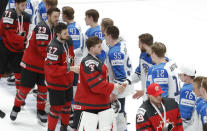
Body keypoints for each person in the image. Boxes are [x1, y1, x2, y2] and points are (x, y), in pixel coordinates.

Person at [9, 7, 60, 125]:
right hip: (31, 65)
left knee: (43, 90)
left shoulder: (54, 28)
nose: (57, 19)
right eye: (55, 17)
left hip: (44, 66)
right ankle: (16, 108)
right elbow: (42, 49)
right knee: (24, 90)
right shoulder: (42, 27)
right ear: (48, 16)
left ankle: (41, 111)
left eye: (58, 16)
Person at [73, 36, 126, 130]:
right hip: (88, 107)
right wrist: (114, 87)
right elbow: (96, 85)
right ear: (92, 48)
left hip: (95, 105)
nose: (101, 48)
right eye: (98, 46)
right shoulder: (89, 62)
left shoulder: (94, 61)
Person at [45, 22, 79, 131]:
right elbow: (52, 70)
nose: (67, 35)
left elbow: (71, 57)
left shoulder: (68, 40)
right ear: (58, 34)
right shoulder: (53, 48)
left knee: (68, 106)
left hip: (67, 81)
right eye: (65, 33)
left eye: (67, 32)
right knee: (55, 109)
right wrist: (70, 69)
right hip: (56, 84)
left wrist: (72, 68)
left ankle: (64, 127)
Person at [105, 25, 133, 131]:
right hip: (125, 85)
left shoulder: (114, 53)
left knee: (118, 115)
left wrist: (114, 93)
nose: (104, 38)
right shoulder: (121, 44)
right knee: (120, 113)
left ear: (110, 36)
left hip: (120, 88)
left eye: (105, 35)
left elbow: (120, 77)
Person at [6, 0, 39, 86]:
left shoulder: (33, 3)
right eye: (22, 5)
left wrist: (28, 38)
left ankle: (23, 80)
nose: (24, 7)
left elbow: (33, 22)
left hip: (25, 36)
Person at [0, 0, 30, 89]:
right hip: (4, 46)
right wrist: (22, 39)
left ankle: (19, 98)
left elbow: (26, 32)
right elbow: (9, 35)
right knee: (1, 70)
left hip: (17, 48)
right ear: (16, 4)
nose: (24, 8)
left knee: (19, 71)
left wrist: (23, 46)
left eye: (25, 5)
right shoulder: (8, 14)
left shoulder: (26, 16)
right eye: (22, 5)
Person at [130, 33, 155, 100]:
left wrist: (145, 92)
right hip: (146, 96)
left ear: (144, 45)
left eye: (139, 44)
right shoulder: (143, 55)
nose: (138, 46)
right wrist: (128, 81)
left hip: (155, 97)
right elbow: (139, 72)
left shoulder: (156, 59)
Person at [178, 65, 196, 130]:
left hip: (186, 124)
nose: (179, 76)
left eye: (180, 75)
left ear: (187, 76)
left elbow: (185, 113)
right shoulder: (189, 85)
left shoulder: (187, 90)